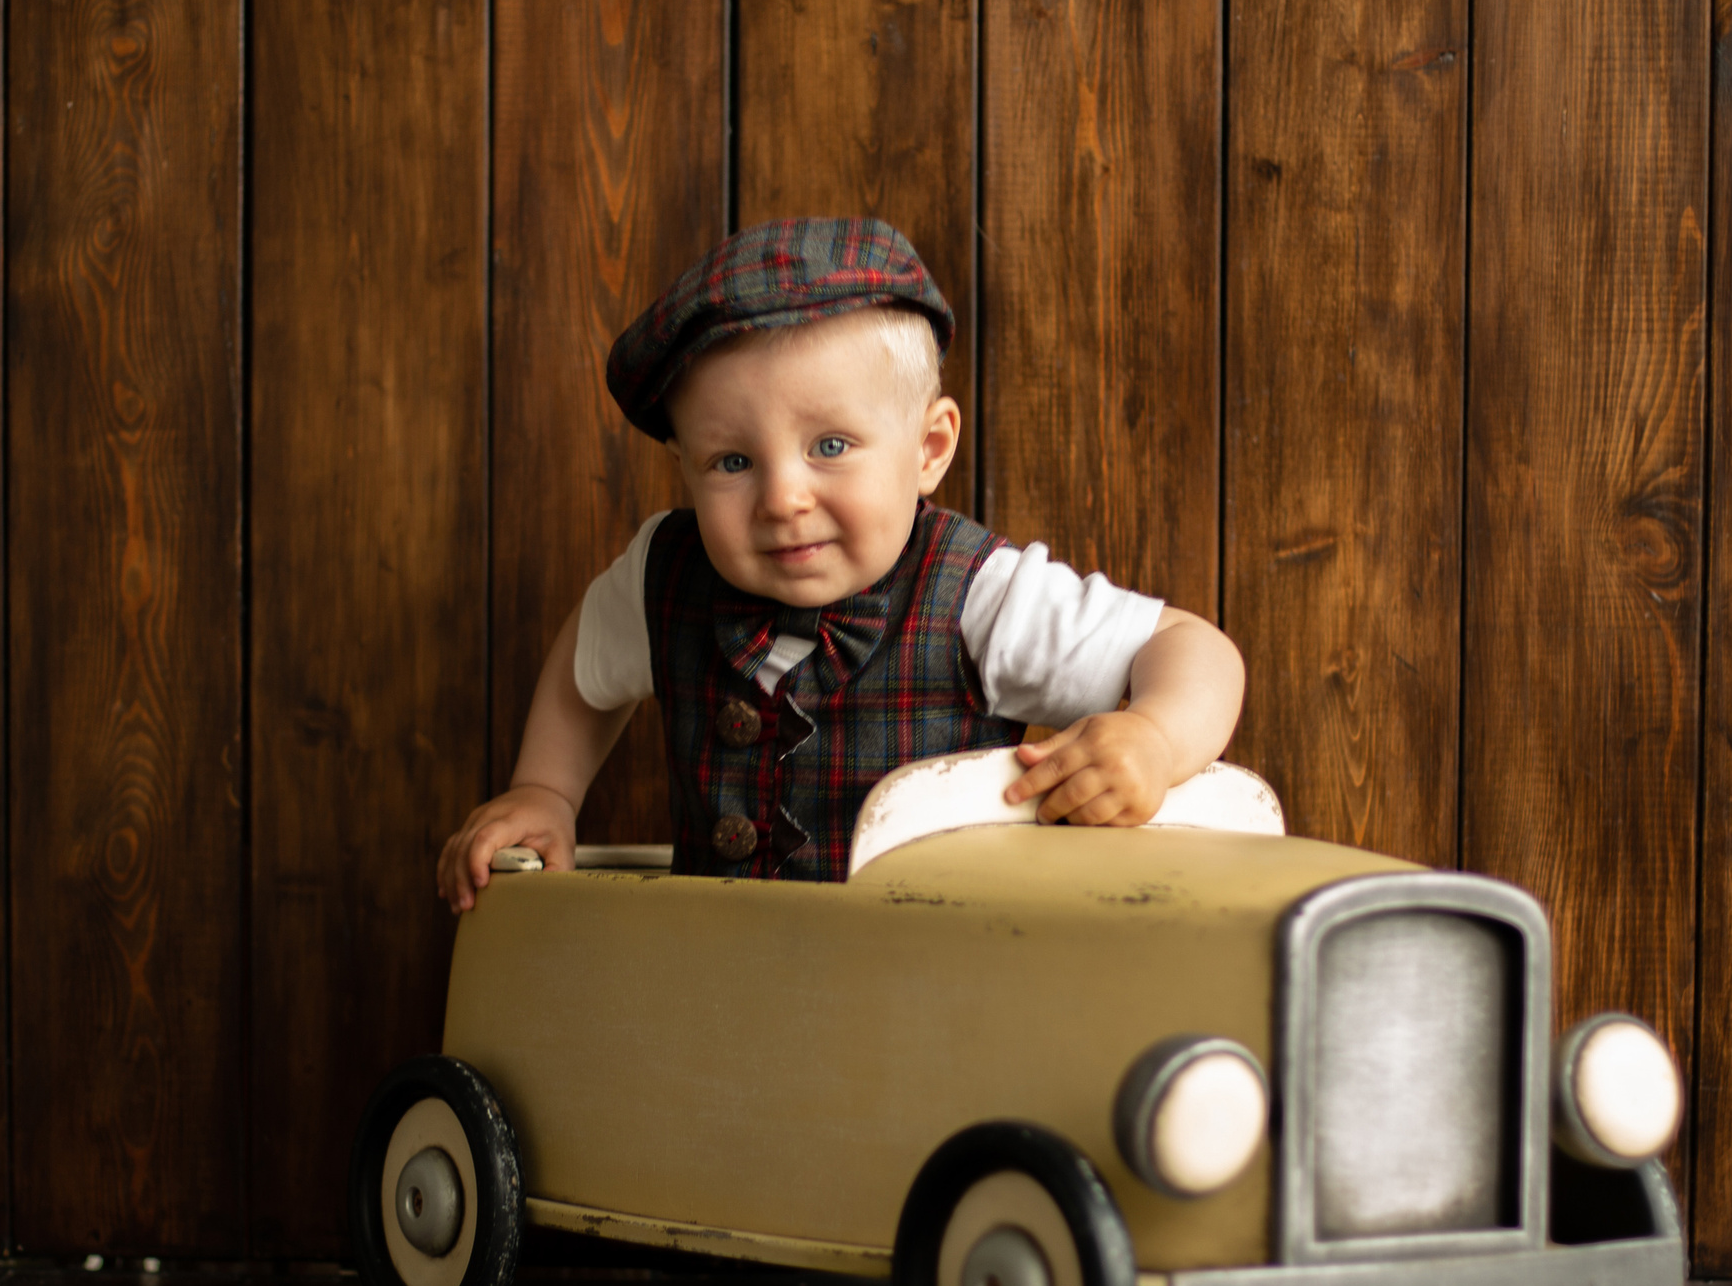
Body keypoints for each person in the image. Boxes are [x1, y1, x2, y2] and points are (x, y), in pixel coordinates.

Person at [436, 217, 1244, 905]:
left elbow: (1192, 649)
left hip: (921, 996)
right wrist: (547, 789)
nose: (782, 497)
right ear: (684, 462)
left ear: (928, 449)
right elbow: (585, 676)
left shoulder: (979, 596)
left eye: (830, 446)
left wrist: (1154, 736)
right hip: (712, 986)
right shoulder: (664, 575)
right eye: (731, 462)